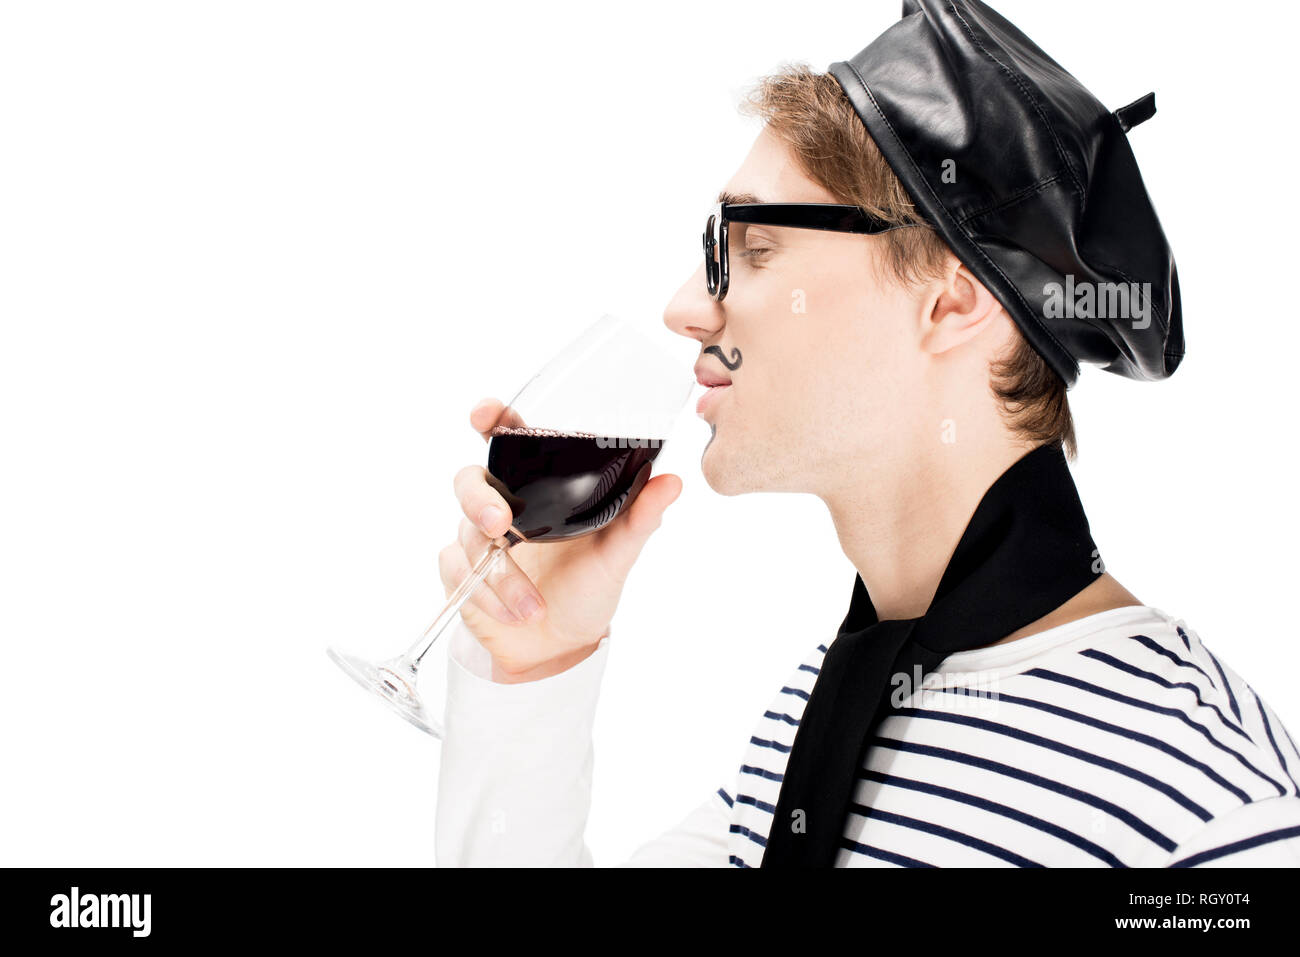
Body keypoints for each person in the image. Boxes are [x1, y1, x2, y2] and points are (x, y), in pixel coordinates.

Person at [432, 1, 1300, 867]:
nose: (685, 305)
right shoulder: (812, 726)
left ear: (951, 301)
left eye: (755, 247)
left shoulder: (1207, 807)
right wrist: (534, 662)